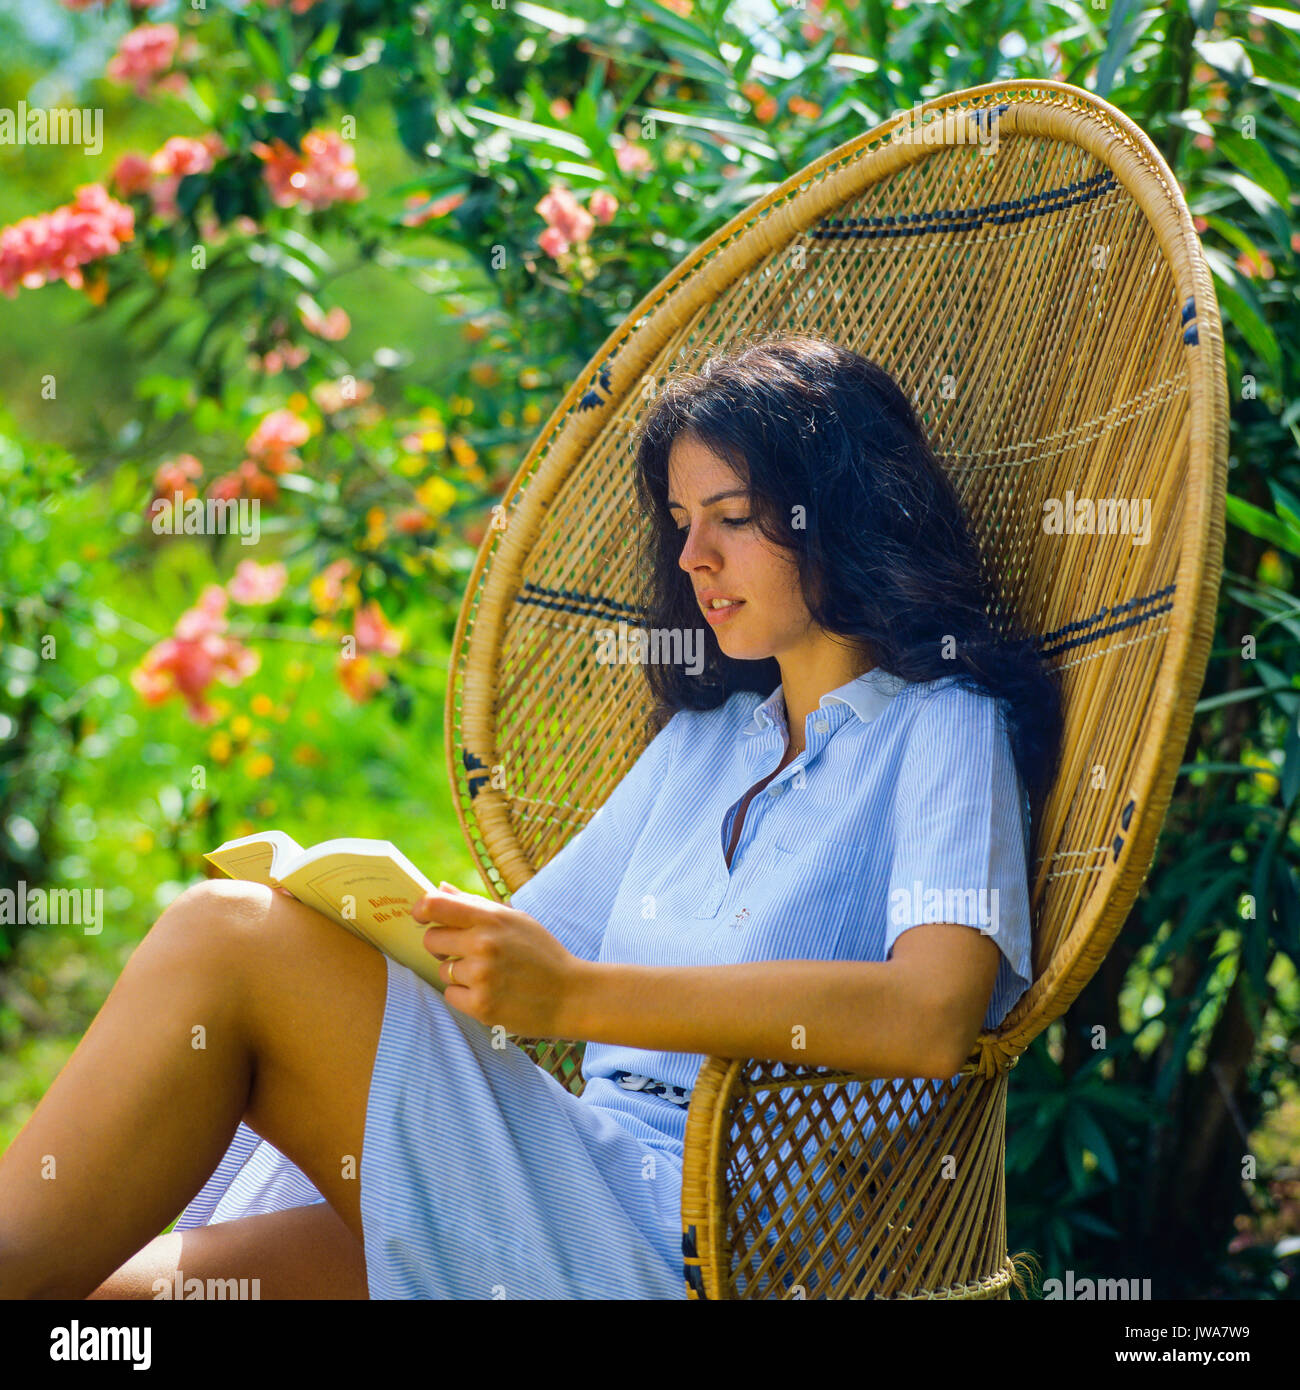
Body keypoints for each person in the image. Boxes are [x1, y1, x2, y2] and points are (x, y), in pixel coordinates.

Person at [0, 333, 1063, 1300]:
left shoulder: (943, 725)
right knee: (121, 1304)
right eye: (682, 525)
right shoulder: (704, 746)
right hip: (558, 1179)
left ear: (837, 514)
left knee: (224, 934)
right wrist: (372, 920)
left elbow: (931, 1013)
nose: (694, 559)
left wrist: (576, 996)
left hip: (692, 1245)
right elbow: (521, 964)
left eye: (733, 520)